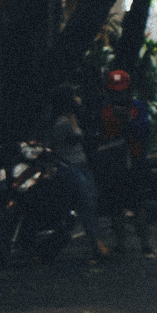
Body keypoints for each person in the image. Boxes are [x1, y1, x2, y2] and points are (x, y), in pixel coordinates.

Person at [91, 68, 155, 256]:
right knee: (115, 206)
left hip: (134, 161)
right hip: (112, 163)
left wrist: (128, 122)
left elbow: (145, 130)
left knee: (139, 205)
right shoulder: (104, 109)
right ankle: (121, 244)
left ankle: (145, 244)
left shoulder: (138, 108)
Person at [49, 92, 110, 262]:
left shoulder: (73, 119)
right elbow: (56, 147)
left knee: (89, 202)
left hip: (80, 164)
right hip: (70, 165)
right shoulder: (62, 123)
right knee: (86, 202)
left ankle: (96, 242)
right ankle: (96, 244)